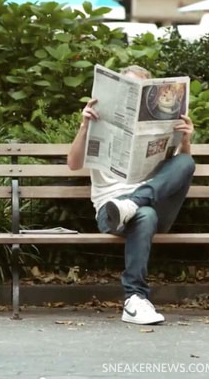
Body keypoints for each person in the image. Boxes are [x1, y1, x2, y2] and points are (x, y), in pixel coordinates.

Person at [67, 65, 195, 326]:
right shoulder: (96, 122)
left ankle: (133, 202)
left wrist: (184, 140)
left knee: (186, 164)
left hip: (153, 202)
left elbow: (180, 171)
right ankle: (135, 299)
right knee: (144, 215)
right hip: (112, 212)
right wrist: (84, 127)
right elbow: (73, 164)